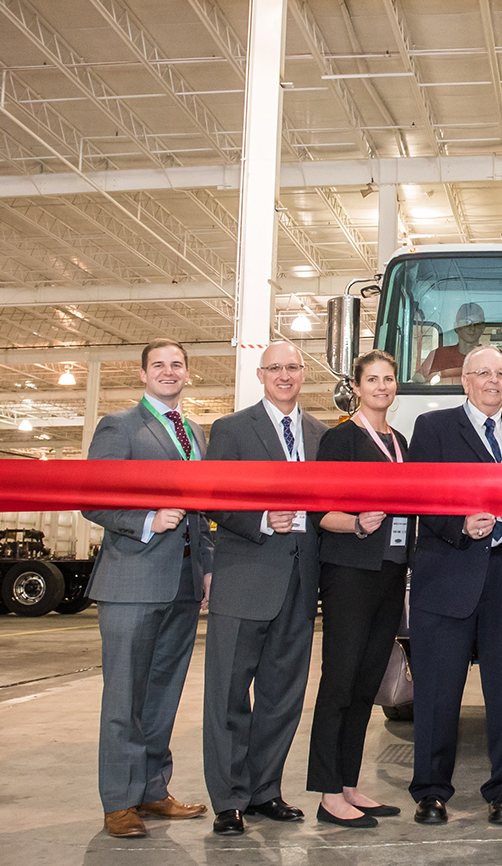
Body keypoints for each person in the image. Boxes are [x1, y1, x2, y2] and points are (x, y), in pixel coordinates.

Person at [405, 345, 502, 827]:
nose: (493, 381)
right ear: (464, 381)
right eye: (483, 373)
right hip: (448, 571)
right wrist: (458, 526)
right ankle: (430, 791)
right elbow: (419, 495)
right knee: (437, 693)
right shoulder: (434, 428)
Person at [81, 338, 213, 838]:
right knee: (124, 696)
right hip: (131, 580)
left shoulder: (195, 432)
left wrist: (205, 565)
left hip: (180, 582)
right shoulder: (119, 426)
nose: (168, 371)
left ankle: (153, 791)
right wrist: (145, 521)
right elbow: (91, 498)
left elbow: (199, 511)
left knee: (162, 693)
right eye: (158, 364)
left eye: (177, 364)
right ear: (143, 375)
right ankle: (119, 802)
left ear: (187, 374)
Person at [202, 342, 328, 836]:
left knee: (283, 696)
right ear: (260, 373)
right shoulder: (232, 429)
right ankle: (228, 799)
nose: (284, 375)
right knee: (229, 693)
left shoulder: (321, 435)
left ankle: (265, 790)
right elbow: (213, 498)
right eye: (274, 367)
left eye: (292, 367)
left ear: (303, 374)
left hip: (301, 581)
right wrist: (260, 519)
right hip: (245, 577)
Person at [307, 350, 415, 828]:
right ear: (356, 386)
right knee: (340, 681)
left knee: (368, 681)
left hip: (392, 571)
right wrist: (355, 524)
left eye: (388, 379)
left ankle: (349, 784)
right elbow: (318, 512)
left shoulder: (401, 441)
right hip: (350, 571)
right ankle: (329, 794)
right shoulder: (340, 438)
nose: (382, 387)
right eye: (372, 379)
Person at [418, 302, 486, 382]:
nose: (472, 328)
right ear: (456, 327)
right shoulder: (438, 355)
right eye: (466, 323)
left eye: (477, 323)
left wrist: (443, 374)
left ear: (483, 328)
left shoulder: (491, 357)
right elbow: (417, 380)